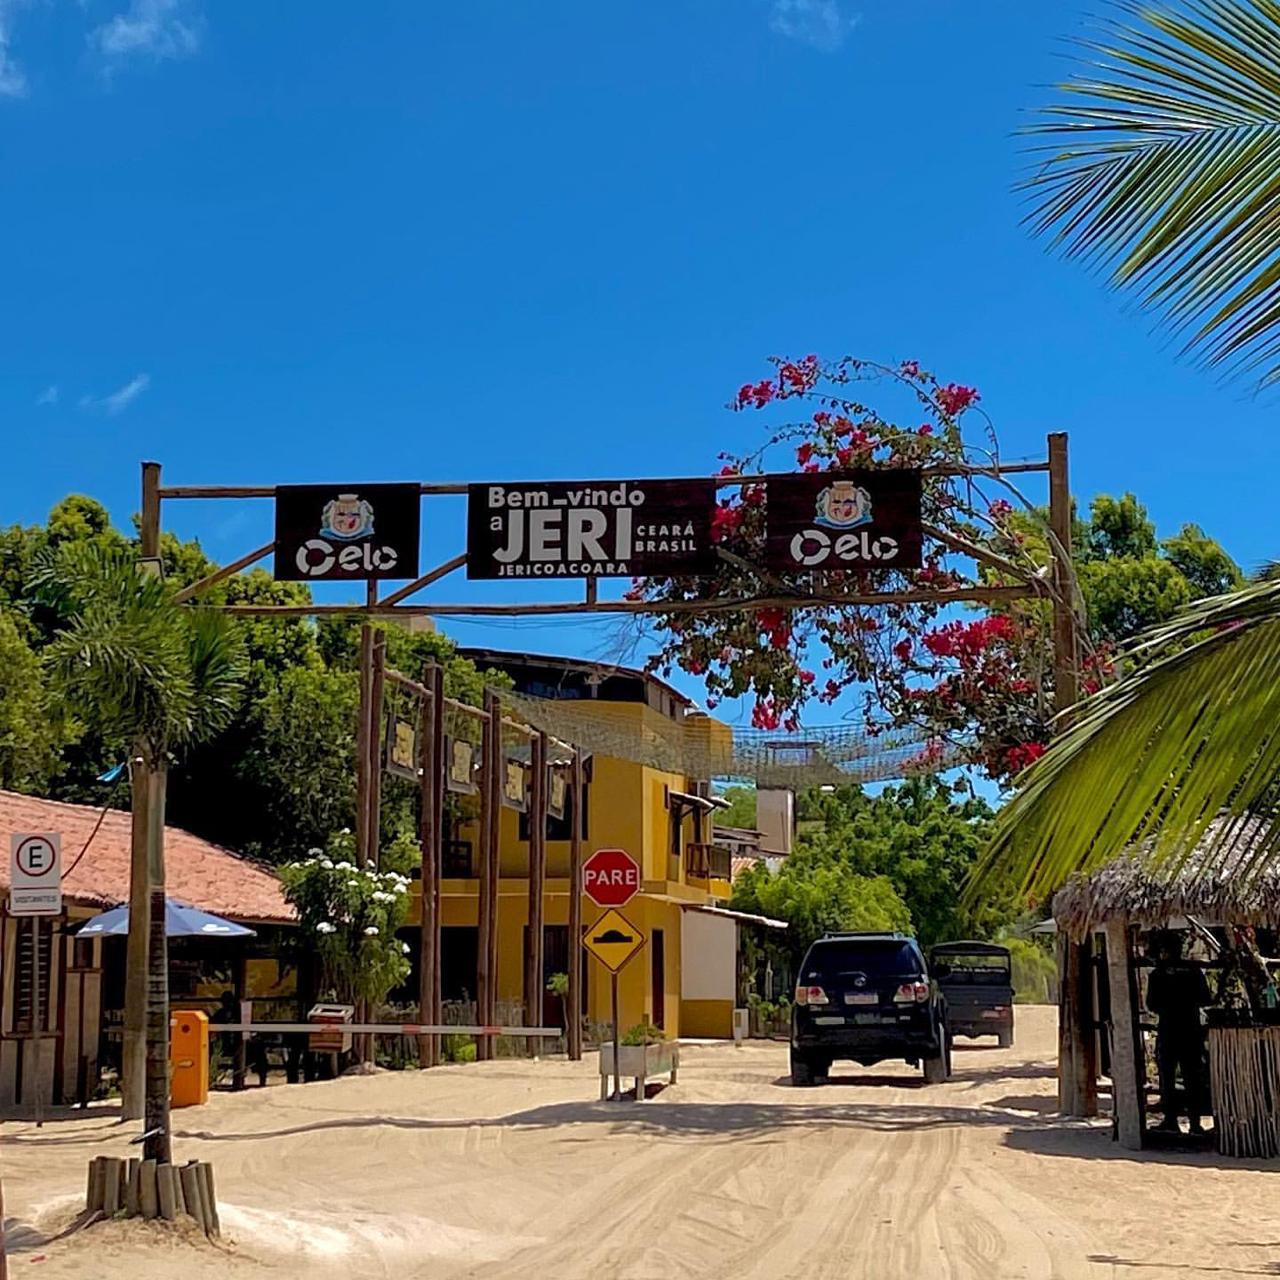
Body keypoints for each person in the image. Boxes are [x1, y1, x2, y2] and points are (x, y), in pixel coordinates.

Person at [1145, 932, 1211, 1135]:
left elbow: (1151, 1004)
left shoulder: (1158, 974)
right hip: (1191, 1030)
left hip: (1168, 1030)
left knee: (1167, 1077)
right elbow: (1205, 999)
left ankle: (1171, 1120)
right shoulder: (1193, 972)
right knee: (1193, 1078)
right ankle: (1195, 1122)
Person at [210, 990, 269, 1088]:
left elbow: (248, 1028)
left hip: (241, 1044)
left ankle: (262, 1080)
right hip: (226, 1046)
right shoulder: (220, 1014)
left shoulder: (239, 1013)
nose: (228, 1003)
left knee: (259, 1050)